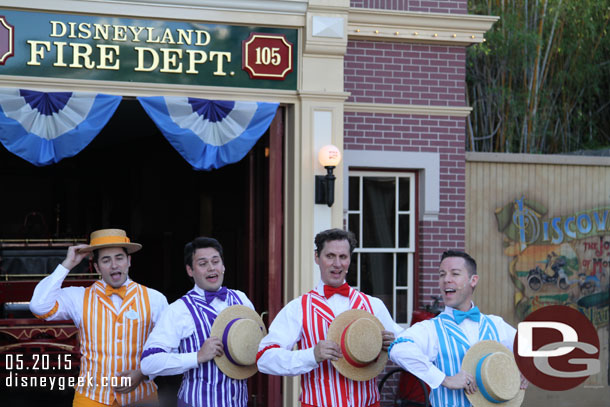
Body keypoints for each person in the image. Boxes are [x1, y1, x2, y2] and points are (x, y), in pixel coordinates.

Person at [256, 228, 403, 407]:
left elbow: (405, 347)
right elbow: (264, 358)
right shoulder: (298, 308)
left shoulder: (373, 306)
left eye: (343, 257)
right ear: (317, 257)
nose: (337, 264)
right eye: (330, 256)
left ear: (350, 259)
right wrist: (311, 355)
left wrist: (394, 345)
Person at [29, 228, 169, 407]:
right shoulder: (79, 297)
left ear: (129, 261)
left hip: (141, 397)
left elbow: (168, 346)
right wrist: (67, 264)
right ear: (96, 267)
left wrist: (144, 373)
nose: (114, 265)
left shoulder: (154, 298)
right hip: (91, 397)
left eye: (119, 258)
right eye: (106, 260)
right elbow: (39, 306)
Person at [388, 250, 528, 407]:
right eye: (442, 274)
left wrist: (526, 369)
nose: (446, 280)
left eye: (454, 274)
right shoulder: (431, 329)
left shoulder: (496, 325)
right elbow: (398, 348)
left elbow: (530, 347)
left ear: (473, 280)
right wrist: (443, 379)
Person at [140, 237, 256, 407]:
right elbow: (149, 363)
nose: (211, 268)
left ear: (223, 266)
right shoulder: (179, 310)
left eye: (215, 261)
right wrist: (197, 357)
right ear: (190, 270)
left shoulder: (242, 300)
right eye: (202, 263)